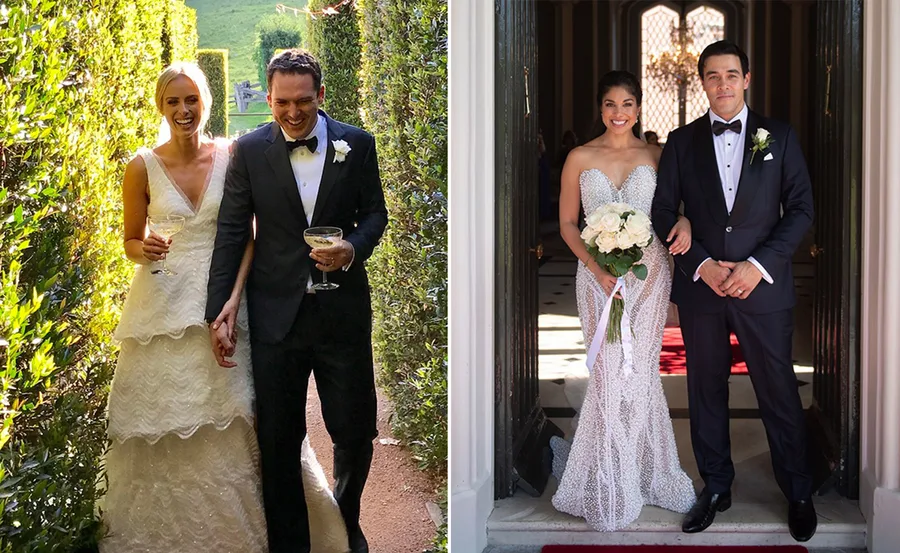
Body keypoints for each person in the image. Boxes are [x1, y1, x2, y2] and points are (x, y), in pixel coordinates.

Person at [101, 62, 349, 552]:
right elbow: (129, 240)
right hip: (163, 308)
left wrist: (233, 300)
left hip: (228, 303)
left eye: (191, 99)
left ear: (205, 102)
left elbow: (248, 236)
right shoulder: (141, 166)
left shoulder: (232, 154)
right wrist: (141, 246)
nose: (183, 110)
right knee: (164, 422)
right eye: (173, 101)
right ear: (160, 106)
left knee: (241, 414)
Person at [206, 49, 388, 553]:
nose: (292, 113)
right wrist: (216, 311)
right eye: (281, 103)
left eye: (303, 102)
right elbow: (231, 231)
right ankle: (290, 546)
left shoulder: (359, 144)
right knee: (279, 442)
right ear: (268, 98)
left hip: (343, 314)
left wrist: (353, 248)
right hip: (275, 319)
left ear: (321, 95)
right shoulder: (248, 151)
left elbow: (376, 214)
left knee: (354, 433)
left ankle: (345, 526)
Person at [651, 40, 816, 542]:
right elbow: (662, 212)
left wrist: (755, 267)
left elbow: (802, 210)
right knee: (704, 391)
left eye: (730, 75)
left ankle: (799, 490)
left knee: (778, 391)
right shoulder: (681, 142)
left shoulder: (780, 137)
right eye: (712, 76)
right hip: (703, 290)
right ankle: (716, 486)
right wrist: (700, 265)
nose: (721, 84)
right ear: (702, 82)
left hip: (761, 291)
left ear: (747, 78)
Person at [550, 70, 696, 531]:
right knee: (611, 372)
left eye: (627, 104)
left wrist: (687, 224)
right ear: (600, 108)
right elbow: (569, 224)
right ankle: (611, 482)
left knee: (640, 371)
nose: (619, 113)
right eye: (610, 104)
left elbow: (683, 207)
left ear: (638, 107)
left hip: (649, 275)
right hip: (595, 278)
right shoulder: (579, 156)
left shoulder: (656, 155)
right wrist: (595, 268)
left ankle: (646, 471)